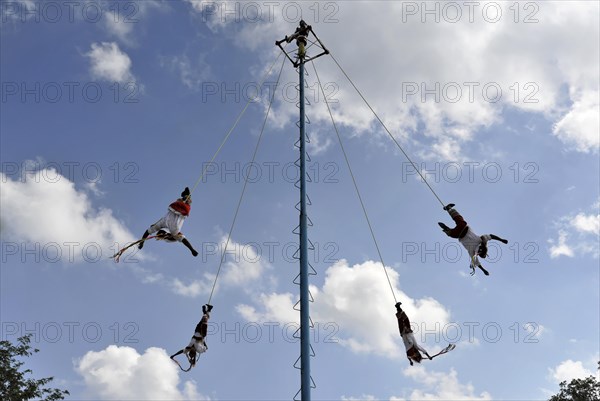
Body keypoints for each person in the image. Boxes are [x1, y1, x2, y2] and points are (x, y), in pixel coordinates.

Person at [438, 203, 508, 276]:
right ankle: (447, 229)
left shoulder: (481, 240)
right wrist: (484, 270)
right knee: (452, 233)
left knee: (459, 219)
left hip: (463, 228)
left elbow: (491, 236)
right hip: (458, 235)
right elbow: (477, 263)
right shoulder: (474, 251)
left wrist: (502, 240)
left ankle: (449, 211)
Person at [138, 187, 198, 256]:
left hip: (175, 207)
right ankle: (187, 196)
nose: (160, 232)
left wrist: (142, 242)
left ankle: (185, 196)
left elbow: (147, 232)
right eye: (162, 233)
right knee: (186, 203)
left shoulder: (160, 225)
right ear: (168, 235)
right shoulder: (174, 233)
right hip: (182, 211)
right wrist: (192, 250)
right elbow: (184, 240)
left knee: (181, 202)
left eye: (160, 232)